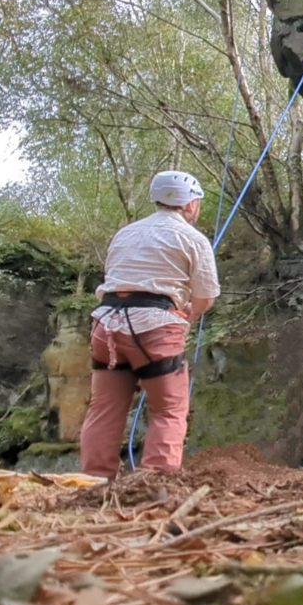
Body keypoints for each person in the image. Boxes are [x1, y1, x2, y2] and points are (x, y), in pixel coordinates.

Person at [79, 170, 221, 479]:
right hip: (155, 329)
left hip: (106, 327)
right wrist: (189, 313)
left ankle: (93, 484)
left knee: (104, 411)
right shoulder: (193, 239)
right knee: (168, 411)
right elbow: (206, 296)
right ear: (191, 203)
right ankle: (154, 485)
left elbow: (114, 277)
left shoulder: (126, 233)